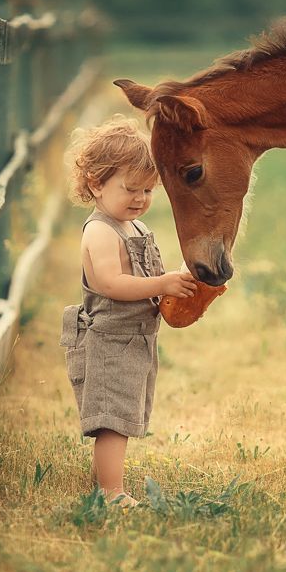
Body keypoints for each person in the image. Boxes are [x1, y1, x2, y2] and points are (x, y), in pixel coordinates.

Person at [61, 116, 196, 506]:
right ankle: (110, 493)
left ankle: (106, 479)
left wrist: (179, 280)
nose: (140, 198)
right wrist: (161, 285)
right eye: (130, 188)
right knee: (111, 422)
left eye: (149, 190)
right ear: (95, 183)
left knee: (122, 413)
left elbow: (148, 275)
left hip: (134, 340)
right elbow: (109, 284)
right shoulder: (100, 230)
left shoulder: (134, 227)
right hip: (108, 341)